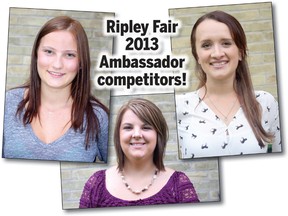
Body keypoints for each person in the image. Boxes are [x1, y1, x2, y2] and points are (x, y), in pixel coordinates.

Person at [176, 10, 281, 159]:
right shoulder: (181, 106)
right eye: (206, 45)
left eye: (226, 43)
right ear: (197, 56)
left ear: (240, 52)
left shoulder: (265, 102)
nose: (217, 53)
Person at [2, 16, 109, 162]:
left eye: (69, 55)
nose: (57, 64)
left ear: (81, 62)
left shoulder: (98, 117)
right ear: (36, 55)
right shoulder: (7, 103)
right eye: (49, 52)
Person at [79, 98, 199, 208]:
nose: (136, 134)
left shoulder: (178, 185)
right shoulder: (96, 184)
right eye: (128, 127)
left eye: (146, 127)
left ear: (158, 135)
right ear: (118, 135)